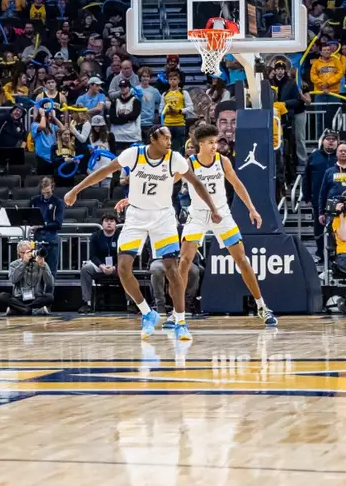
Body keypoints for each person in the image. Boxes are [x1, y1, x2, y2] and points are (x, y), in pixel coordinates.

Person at [65, 125, 216, 340]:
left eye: (170, 138)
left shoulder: (174, 159)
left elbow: (196, 184)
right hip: (136, 217)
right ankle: (147, 313)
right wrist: (75, 190)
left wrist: (213, 208)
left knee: (172, 268)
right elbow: (103, 172)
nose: (169, 141)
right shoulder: (134, 154)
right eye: (165, 137)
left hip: (163, 217)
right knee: (123, 268)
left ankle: (181, 321)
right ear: (153, 139)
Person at [178, 123, 277, 328]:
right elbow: (168, 181)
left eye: (215, 142)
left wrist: (252, 209)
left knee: (242, 259)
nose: (215, 146)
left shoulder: (222, 161)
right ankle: (177, 313)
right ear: (200, 144)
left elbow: (237, 184)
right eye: (211, 142)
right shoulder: (189, 164)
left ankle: (261, 306)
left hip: (222, 214)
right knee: (185, 260)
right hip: (197, 214)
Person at [79, 212, 121, 311]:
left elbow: (124, 255)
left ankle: (131, 302)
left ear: (116, 224)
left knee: (127, 269)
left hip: (117, 266)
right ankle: (87, 303)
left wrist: (114, 267)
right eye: (106, 221)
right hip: (100, 265)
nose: (109, 223)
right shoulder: (95, 236)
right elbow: (93, 256)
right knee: (85, 269)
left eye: (112, 221)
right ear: (102, 223)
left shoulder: (121, 236)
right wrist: (102, 266)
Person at [1, 239, 54, 314]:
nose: (27, 254)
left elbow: (50, 283)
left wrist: (43, 266)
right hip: (20, 298)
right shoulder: (14, 264)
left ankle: (22, 309)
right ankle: (35, 310)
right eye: (24, 253)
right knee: (2, 296)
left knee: (49, 297)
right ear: (19, 253)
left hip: (36, 298)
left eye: (29, 252)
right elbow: (13, 280)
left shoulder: (40, 263)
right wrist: (24, 263)